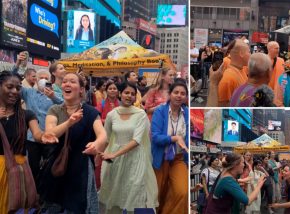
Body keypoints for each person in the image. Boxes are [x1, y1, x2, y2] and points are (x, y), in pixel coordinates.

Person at [41, 73, 107, 213]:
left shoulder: (90, 112)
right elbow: (50, 133)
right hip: (57, 166)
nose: (67, 84)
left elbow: (102, 136)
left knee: (78, 206)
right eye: (64, 81)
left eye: (72, 81)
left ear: (81, 89)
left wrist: (96, 145)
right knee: (54, 204)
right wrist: (69, 122)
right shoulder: (55, 109)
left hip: (81, 167)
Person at [0, 71, 57, 213]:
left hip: (15, 171)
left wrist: (43, 137)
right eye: (9, 87)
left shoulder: (26, 115)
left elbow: (37, 134)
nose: (14, 91)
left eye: (18, 88)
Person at [98, 82, 158, 213]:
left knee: (133, 194)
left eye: (132, 94)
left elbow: (136, 140)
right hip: (114, 161)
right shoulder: (112, 115)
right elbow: (106, 139)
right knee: (114, 196)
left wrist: (114, 154)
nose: (129, 96)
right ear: (120, 94)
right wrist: (98, 156)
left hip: (135, 158)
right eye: (126, 93)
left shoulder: (141, 114)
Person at [151, 80, 189, 214]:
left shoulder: (187, 113)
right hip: (161, 158)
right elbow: (155, 137)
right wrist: (174, 138)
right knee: (157, 195)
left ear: (186, 97)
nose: (179, 96)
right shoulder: (160, 111)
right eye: (176, 92)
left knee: (182, 192)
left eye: (183, 93)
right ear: (170, 94)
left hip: (178, 159)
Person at [218, 39, 250, 106]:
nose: (250, 55)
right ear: (241, 53)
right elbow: (222, 107)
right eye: (249, 52)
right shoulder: (228, 78)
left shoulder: (241, 70)